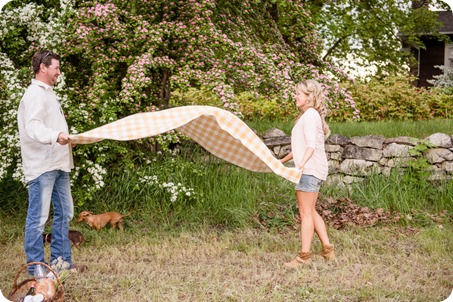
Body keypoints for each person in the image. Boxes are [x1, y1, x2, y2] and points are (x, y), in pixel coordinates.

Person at [17, 50, 82, 275]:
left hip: (59, 163)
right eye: (56, 68)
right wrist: (55, 136)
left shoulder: (49, 93)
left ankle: (61, 263)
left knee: (65, 213)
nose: (59, 72)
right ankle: (36, 269)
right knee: (38, 218)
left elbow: (50, 125)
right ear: (43, 68)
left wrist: (66, 138)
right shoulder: (34, 94)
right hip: (42, 166)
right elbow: (33, 127)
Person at [280, 79, 335, 268]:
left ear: (309, 97)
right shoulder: (307, 116)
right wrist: (281, 162)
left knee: (305, 213)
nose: (295, 96)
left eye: (298, 94)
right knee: (310, 211)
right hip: (312, 168)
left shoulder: (310, 115)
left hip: (310, 170)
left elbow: (310, 146)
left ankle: (304, 257)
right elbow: (299, 148)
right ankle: (328, 250)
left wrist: (301, 164)